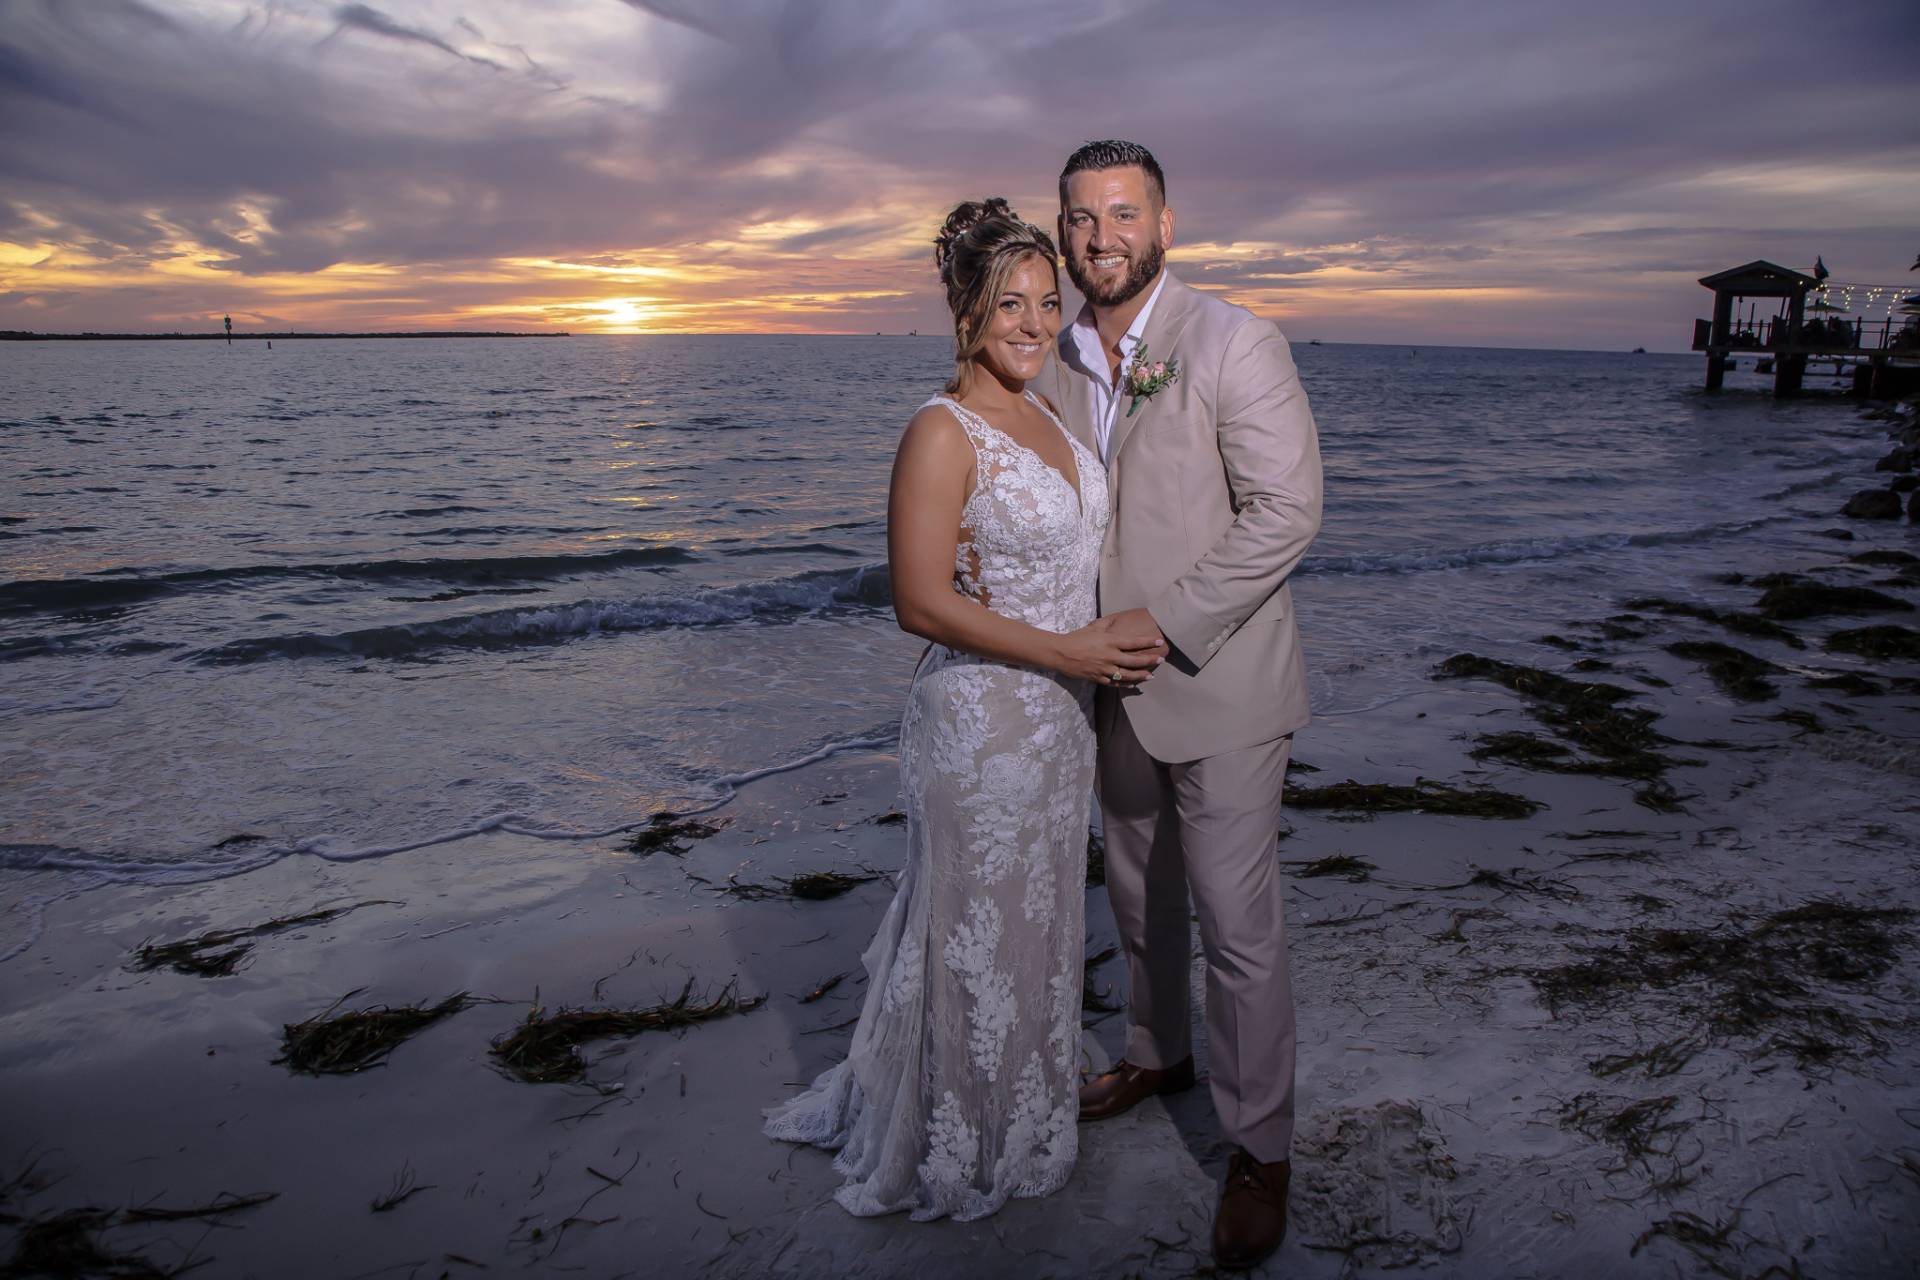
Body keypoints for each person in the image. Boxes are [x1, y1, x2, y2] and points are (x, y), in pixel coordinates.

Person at [764, 198, 1167, 1221]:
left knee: (1035, 913)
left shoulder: (1055, 420)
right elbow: (920, 601)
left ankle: (1024, 1090)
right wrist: (1072, 648)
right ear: (967, 315)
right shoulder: (940, 432)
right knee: (971, 918)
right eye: (1008, 305)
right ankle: (957, 1120)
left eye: (1045, 302)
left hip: (1059, 724)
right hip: (980, 724)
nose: (1032, 323)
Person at [1035, 139, 1323, 1271]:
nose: (1098, 234)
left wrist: (1169, 622)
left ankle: (1261, 1148)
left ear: (1164, 222)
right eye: (1078, 216)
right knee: (1138, 893)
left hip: (1222, 682)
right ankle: (1158, 1053)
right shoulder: (1054, 355)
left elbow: (1287, 510)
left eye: (1120, 212)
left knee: (1240, 931)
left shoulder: (1234, 340)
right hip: (1109, 691)